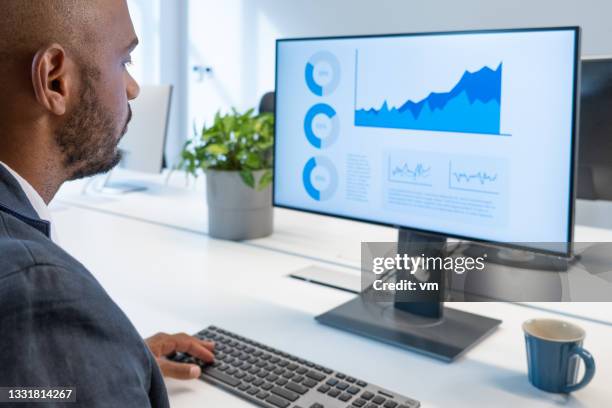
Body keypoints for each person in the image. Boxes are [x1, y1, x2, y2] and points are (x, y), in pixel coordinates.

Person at [0, 1, 212, 406]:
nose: (133, 88)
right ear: (55, 81)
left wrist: (96, 362)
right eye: (125, 60)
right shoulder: (40, 292)